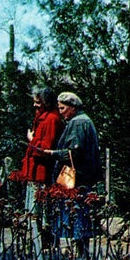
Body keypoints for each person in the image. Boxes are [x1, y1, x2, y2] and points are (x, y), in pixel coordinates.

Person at [44, 92, 101, 247]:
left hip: (78, 179)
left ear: (72, 107)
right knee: (80, 215)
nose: (60, 112)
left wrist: (53, 154)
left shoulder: (78, 123)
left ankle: (82, 257)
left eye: (63, 108)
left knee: (77, 216)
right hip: (85, 177)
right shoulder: (83, 121)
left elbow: (74, 153)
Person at [19, 87, 64, 214]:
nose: (35, 105)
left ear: (46, 103)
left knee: (39, 209)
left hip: (42, 172)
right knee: (33, 208)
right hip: (35, 171)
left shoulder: (51, 119)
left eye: (38, 103)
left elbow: (46, 149)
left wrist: (31, 139)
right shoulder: (42, 117)